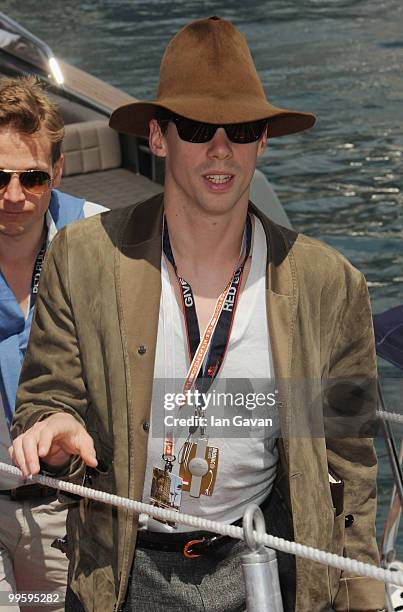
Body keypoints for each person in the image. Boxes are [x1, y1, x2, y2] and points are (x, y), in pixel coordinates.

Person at [9, 17, 386, 612]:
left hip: (265, 561)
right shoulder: (80, 260)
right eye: (195, 128)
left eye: (240, 129)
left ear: (263, 140)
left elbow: (350, 466)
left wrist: (361, 597)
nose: (220, 148)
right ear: (157, 138)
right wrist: (52, 424)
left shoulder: (329, 286)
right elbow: (45, 395)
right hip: (122, 568)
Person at [0, 76, 107, 610]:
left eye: (34, 178)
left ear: (58, 172)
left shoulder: (105, 243)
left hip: (72, 508)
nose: (14, 196)